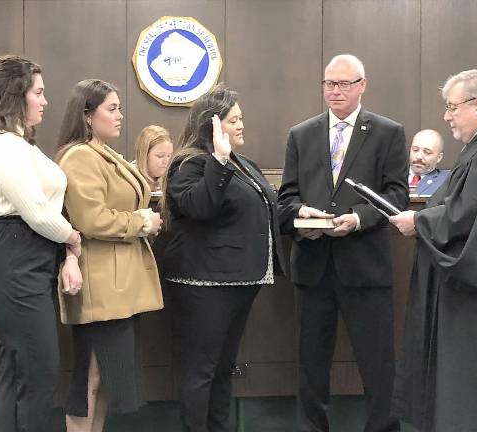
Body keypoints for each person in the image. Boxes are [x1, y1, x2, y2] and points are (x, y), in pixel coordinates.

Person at [390, 70, 477, 432]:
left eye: (452, 107)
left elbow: (471, 218)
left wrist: (419, 223)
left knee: (476, 392)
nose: (446, 115)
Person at [278, 54, 409, 432]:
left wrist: (359, 219)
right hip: (313, 264)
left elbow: (397, 195)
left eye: (344, 84)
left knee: (378, 365)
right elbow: (286, 199)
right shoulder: (301, 134)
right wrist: (305, 216)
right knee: (310, 366)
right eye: (329, 84)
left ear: (362, 85)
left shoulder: (387, 132)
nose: (335, 91)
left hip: (364, 265)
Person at [0, 54, 82, 432]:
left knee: (18, 370)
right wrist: (73, 240)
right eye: (39, 93)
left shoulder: (18, 144)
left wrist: (63, 248)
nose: (45, 101)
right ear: (16, 95)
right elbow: (36, 211)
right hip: (10, 258)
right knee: (38, 373)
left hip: (24, 258)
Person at [162, 83, 286, 432]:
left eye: (241, 118)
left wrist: (307, 216)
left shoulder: (243, 163)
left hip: (239, 281)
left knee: (222, 368)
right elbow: (200, 207)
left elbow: (264, 208)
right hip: (205, 284)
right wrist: (217, 158)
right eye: (234, 120)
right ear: (212, 125)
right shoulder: (190, 163)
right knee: (201, 371)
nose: (242, 124)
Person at [56, 79, 164, 432]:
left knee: (104, 379)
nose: (120, 116)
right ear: (87, 116)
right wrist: (141, 222)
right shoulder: (80, 156)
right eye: (112, 109)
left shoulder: (102, 152)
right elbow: (91, 219)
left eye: (120, 108)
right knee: (90, 374)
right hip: (101, 284)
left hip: (117, 285)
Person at [132, 125, 174, 192]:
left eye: (169, 156)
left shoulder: (173, 179)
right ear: (144, 155)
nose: (166, 161)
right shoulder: (128, 179)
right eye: (160, 156)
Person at [408, 129, 449, 195]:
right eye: (415, 150)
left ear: (439, 157)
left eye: (427, 152)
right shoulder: (393, 175)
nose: (419, 156)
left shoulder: (447, 180)